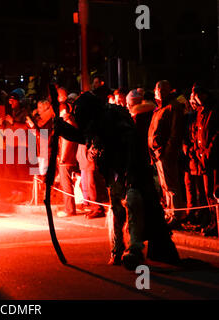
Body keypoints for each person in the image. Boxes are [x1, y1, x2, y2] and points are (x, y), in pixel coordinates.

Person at [55, 92, 180, 270]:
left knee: (135, 204)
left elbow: (130, 141)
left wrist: (131, 172)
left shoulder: (111, 118)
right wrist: (63, 129)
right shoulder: (95, 122)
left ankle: (135, 249)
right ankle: (117, 249)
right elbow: (84, 136)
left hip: (132, 168)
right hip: (114, 172)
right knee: (116, 209)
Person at [148, 80, 186, 227]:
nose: (160, 93)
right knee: (165, 185)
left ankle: (176, 214)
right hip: (158, 153)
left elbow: (175, 132)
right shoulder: (159, 108)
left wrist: (168, 151)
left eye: (163, 90)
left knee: (171, 184)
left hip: (165, 153)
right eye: (158, 90)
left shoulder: (173, 107)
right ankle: (170, 213)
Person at [186, 84, 218, 236]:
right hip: (202, 159)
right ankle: (212, 221)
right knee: (207, 192)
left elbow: (215, 134)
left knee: (215, 192)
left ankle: (216, 223)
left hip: (213, 158)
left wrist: (208, 151)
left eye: (197, 94)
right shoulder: (199, 113)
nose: (195, 98)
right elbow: (196, 133)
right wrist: (197, 151)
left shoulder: (213, 111)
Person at [57, 89, 79, 218]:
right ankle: (69, 208)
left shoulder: (68, 123)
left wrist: (63, 158)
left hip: (66, 159)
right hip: (68, 158)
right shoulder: (69, 122)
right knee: (66, 184)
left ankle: (69, 209)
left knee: (66, 185)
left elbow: (67, 142)